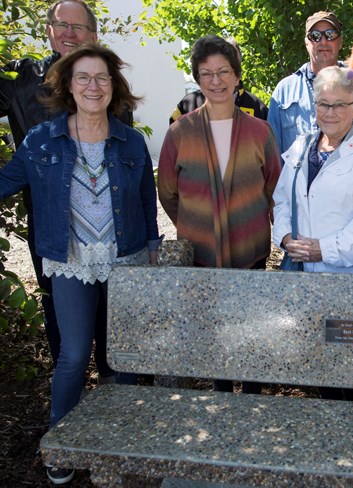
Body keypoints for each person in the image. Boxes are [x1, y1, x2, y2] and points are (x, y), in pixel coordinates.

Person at [0, 43, 161, 484]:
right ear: (69, 86)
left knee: (124, 358)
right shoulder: (42, 139)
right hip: (71, 260)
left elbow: (147, 198)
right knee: (73, 356)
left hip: (123, 259)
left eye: (102, 78)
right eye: (84, 78)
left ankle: (116, 436)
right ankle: (61, 445)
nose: (93, 86)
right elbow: (9, 178)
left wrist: (152, 246)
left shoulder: (130, 141)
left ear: (114, 87)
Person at [0, 0, 119, 381]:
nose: (69, 33)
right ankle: (70, 394)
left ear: (93, 35)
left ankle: (111, 394)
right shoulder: (22, 80)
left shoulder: (106, 80)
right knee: (59, 320)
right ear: (49, 31)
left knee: (108, 311)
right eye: (61, 25)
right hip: (50, 226)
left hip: (105, 226)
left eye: (78, 26)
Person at [158, 35, 280, 394]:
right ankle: (224, 398)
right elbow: (168, 191)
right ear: (197, 78)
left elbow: (273, 187)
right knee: (217, 334)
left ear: (237, 76)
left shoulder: (261, 131)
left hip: (251, 248)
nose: (216, 81)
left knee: (252, 328)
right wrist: (199, 220)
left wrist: (250, 215)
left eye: (224, 72)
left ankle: (253, 398)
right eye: (207, 73)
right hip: (202, 253)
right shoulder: (180, 133)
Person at [272, 66, 353, 401]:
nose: (330, 112)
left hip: (350, 279)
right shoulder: (301, 147)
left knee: (352, 372)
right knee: (320, 367)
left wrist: (323, 249)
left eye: (340, 105)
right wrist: (284, 238)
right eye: (323, 104)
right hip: (306, 277)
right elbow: (282, 200)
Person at [267, 11, 345, 156]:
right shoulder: (283, 92)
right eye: (315, 36)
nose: (323, 41)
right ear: (306, 42)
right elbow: (272, 156)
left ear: (340, 41)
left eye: (330, 34)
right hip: (297, 178)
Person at [169, 37, 268, 124]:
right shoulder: (187, 105)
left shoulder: (259, 109)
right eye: (207, 73)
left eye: (224, 70)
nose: (216, 81)